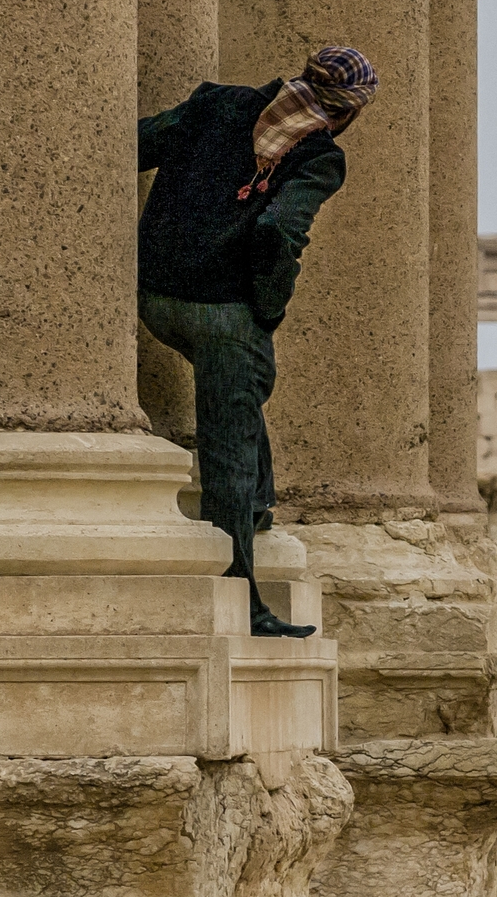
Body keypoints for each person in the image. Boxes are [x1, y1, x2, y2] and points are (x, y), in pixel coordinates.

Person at [137, 45, 377, 637]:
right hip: (222, 311)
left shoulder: (216, 103)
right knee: (229, 459)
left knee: (247, 403)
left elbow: (138, 144)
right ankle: (246, 605)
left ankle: (263, 505)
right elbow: (276, 234)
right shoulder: (319, 155)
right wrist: (266, 311)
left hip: (153, 297)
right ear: (346, 112)